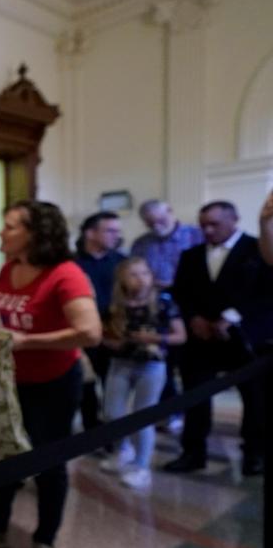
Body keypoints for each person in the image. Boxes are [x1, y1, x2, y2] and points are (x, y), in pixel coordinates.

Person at [0, 201, 101, 548]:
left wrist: (27, 342)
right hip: (12, 380)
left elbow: (90, 332)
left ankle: (44, 541)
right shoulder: (9, 268)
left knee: (49, 463)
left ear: (34, 234)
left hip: (54, 385)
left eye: (9, 226)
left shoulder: (66, 274)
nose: (1, 232)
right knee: (4, 456)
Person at [166, 201, 273, 476]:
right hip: (202, 340)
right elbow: (182, 293)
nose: (208, 230)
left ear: (234, 219)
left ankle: (254, 454)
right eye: (204, 225)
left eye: (215, 224)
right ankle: (193, 452)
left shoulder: (259, 249)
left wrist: (234, 317)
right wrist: (193, 319)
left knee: (255, 399)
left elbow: (266, 294)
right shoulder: (191, 255)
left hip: (245, 338)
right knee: (195, 396)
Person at [99, 258, 186, 488]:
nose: (141, 279)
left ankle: (141, 465)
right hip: (121, 363)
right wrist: (112, 342)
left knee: (143, 416)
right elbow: (105, 336)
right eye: (134, 274)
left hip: (152, 365)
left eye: (145, 273)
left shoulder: (163, 301)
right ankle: (122, 450)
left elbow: (181, 336)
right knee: (112, 412)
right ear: (122, 280)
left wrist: (156, 339)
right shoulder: (115, 305)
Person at [131, 199, 204, 432]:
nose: (156, 225)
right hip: (157, 310)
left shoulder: (195, 235)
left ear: (171, 212)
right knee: (162, 366)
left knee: (192, 369)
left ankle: (195, 419)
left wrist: (172, 284)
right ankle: (170, 412)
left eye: (160, 219)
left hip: (191, 308)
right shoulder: (141, 243)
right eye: (150, 223)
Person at [74, 211, 125, 431]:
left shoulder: (122, 262)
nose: (117, 235)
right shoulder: (71, 264)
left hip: (114, 334)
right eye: (110, 231)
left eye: (117, 231)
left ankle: (111, 431)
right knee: (85, 384)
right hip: (82, 333)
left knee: (113, 385)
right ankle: (90, 427)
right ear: (90, 233)